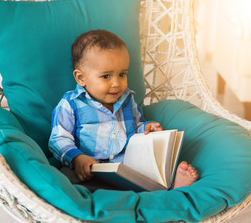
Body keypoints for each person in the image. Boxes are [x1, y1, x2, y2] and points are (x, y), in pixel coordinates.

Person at [49, 29, 198, 190]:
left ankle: (170, 186)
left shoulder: (127, 99)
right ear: (81, 78)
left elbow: (135, 128)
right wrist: (77, 158)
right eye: (106, 76)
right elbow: (58, 139)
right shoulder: (71, 103)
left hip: (124, 169)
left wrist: (146, 128)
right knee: (63, 180)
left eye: (122, 74)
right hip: (87, 170)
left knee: (150, 169)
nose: (116, 83)